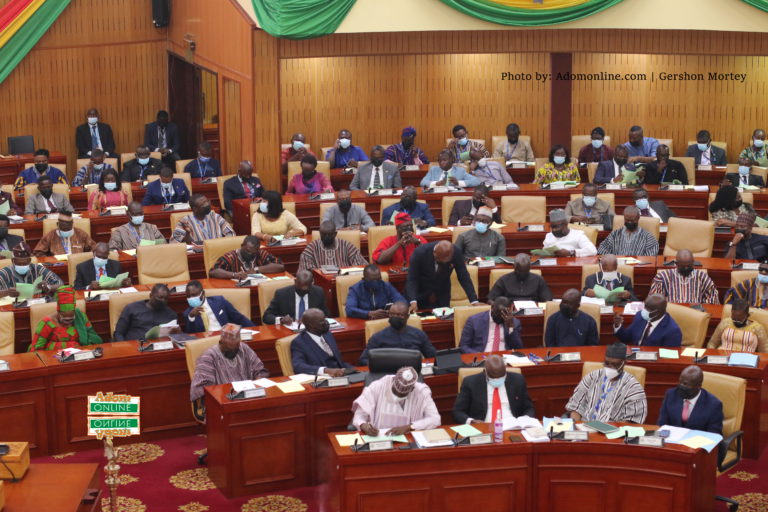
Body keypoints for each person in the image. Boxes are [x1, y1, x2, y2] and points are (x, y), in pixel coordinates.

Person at [565, 342, 647, 423]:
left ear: (624, 363)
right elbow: (575, 407)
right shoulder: (592, 376)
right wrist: (576, 427)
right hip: (585, 427)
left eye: (615, 364)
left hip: (613, 432)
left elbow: (632, 421)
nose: (610, 367)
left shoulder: (633, 387)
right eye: (607, 363)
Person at [189, 323, 269, 403]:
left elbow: (260, 371)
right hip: (221, 401)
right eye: (227, 348)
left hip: (248, 398)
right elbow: (202, 389)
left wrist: (256, 386)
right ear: (221, 341)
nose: (232, 351)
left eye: (235, 348)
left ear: (238, 343)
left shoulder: (244, 348)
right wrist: (227, 393)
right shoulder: (208, 357)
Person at [352, 366, 440, 436]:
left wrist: (409, 427)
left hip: (408, 438)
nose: (397, 396)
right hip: (378, 439)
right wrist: (364, 426)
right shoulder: (377, 386)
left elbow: (435, 419)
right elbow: (359, 416)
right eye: (395, 391)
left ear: (411, 389)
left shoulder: (421, 392)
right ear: (393, 380)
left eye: (401, 395)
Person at [452, 354, 535, 424]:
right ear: (485, 372)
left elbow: (529, 408)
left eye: (501, 377)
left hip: (513, 426)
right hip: (483, 428)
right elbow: (458, 412)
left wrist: (525, 419)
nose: (497, 380)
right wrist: (471, 421)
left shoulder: (517, 380)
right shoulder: (471, 382)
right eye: (493, 378)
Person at [406, 240, 478, 312]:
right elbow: (412, 278)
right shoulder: (420, 253)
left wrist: (474, 301)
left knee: (444, 319)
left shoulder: (456, 252)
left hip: (442, 293)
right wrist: (413, 301)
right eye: (441, 261)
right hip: (421, 293)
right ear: (434, 253)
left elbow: (463, 276)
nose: (444, 263)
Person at [359, 301, 436, 365]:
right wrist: (381, 367)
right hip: (388, 373)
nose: (395, 317)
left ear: (407, 316)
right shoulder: (377, 337)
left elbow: (432, 356)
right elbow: (364, 360)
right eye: (392, 314)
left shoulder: (419, 334)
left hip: (413, 372)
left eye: (400, 315)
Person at [28, 285, 101, 351]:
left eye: (71, 318)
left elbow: (95, 339)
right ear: (58, 312)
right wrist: (56, 346)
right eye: (65, 319)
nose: (68, 322)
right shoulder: (47, 323)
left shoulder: (80, 317)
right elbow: (35, 350)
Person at [657, 366, 723, 434]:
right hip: (672, 441)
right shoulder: (671, 395)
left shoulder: (713, 405)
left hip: (698, 442)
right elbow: (662, 424)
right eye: (680, 382)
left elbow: (714, 434)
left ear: (699, 386)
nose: (681, 386)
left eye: (685, 384)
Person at [291, 308, 354, 375]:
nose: (326, 323)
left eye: (325, 319)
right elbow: (298, 366)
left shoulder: (328, 335)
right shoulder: (299, 342)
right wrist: (326, 370)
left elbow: (339, 361)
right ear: (311, 325)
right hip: (322, 378)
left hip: (342, 373)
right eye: (322, 321)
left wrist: (354, 370)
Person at [649, 249, 720, 304]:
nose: (686, 269)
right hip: (671, 313)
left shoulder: (702, 277)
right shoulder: (662, 277)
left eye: (689, 266)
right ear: (676, 264)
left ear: (693, 262)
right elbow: (655, 301)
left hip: (696, 314)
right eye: (683, 266)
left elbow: (712, 299)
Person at [182, 280, 254, 333]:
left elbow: (238, 317)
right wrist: (191, 317)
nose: (191, 298)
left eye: (194, 295)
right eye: (188, 296)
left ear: (203, 293)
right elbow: (191, 334)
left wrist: (254, 329)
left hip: (226, 336)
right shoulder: (188, 313)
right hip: (207, 341)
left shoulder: (219, 301)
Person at [261, 270, 329, 325]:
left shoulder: (318, 292)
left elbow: (326, 315)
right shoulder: (282, 294)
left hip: (311, 331)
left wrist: (313, 319)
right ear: (295, 281)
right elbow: (266, 317)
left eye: (306, 290)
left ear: (312, 283)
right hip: (288, 332)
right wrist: (281, 320)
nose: (303, 291)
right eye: (300, 289)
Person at [113, 284, 179, 341]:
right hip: (134, 347)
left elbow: (176, 336)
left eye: (166, 298)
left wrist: (178, 332)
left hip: (161, 348)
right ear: (151, 296)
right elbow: (118, 333)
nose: (163, 301)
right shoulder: (132, 308)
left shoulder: (171, 314)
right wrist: (124, 347)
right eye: (160, 297)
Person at [297, 221, 368, 273]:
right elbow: (304, 272)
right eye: (323, 234)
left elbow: (361, 266)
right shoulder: (311, 248)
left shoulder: (347, 246)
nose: (326, 237)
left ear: (335, 234)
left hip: (344, 282)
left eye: (329, 235)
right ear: (320, 233)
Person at [614, 294, 682, 347]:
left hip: (654, 363)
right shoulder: (640, 316)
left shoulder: (673, 331)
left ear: (658, 312)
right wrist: (618, 326)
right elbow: (626, 337)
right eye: (644, 307)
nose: (644, 311)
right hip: (635, 356)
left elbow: (668, 357)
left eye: (648, 309)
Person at [209, 235, 284, 280]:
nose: (250, 254)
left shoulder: (260, 253)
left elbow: (280, 266)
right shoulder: (230, 257)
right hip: (235, 289)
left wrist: (257, 269)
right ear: (242, 246)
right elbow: (213, 272)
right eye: (247, 251)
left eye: (253, 252)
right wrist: (234, 275)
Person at [488, 253, 552, 303]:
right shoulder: (503, 280)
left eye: (525, 271)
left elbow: (548, 300)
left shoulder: (538, 279)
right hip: (510, 311)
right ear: (514, 267)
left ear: (530, 267)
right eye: (519, 271)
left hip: (532, 311)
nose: (522, 274)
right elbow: (490, 300)